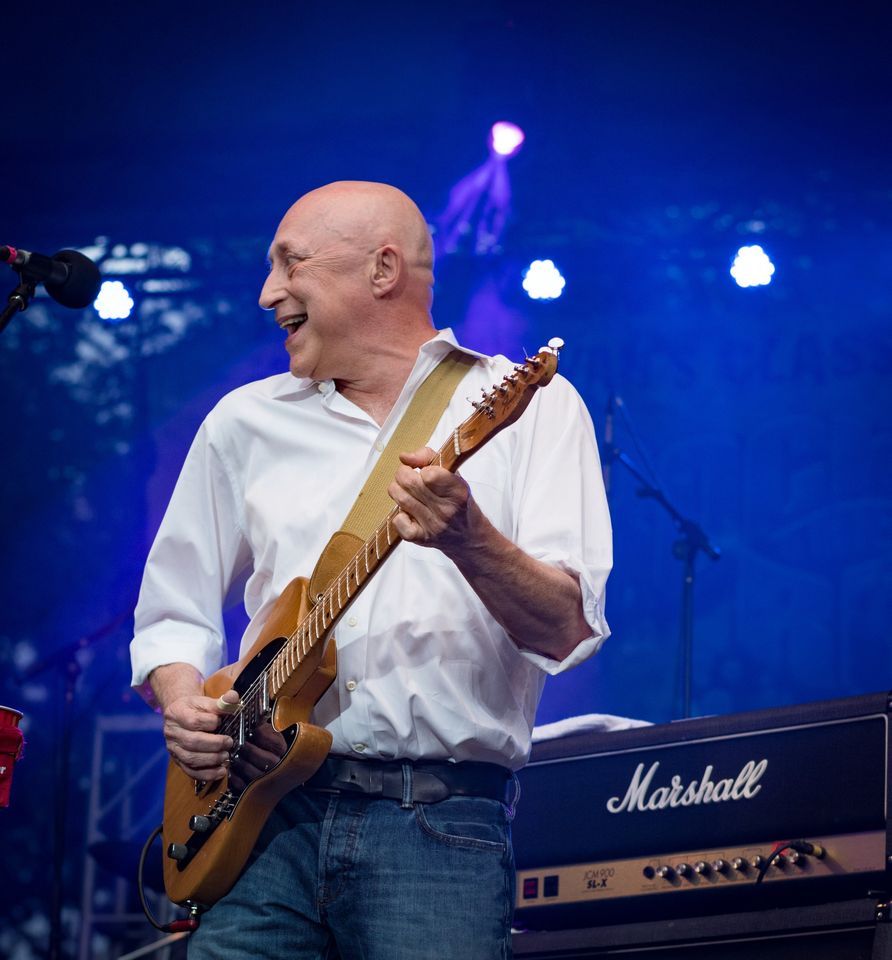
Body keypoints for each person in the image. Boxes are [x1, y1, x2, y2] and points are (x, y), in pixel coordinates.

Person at [130, 180, 612, 959]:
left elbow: (566, 629)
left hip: (439, 828)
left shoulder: (537, 410)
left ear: (382, 270)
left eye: (290, 265)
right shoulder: (243, 421)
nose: (267, 294)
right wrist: (186, 703)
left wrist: (467, 539)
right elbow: (171, 612)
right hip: (259, 822)